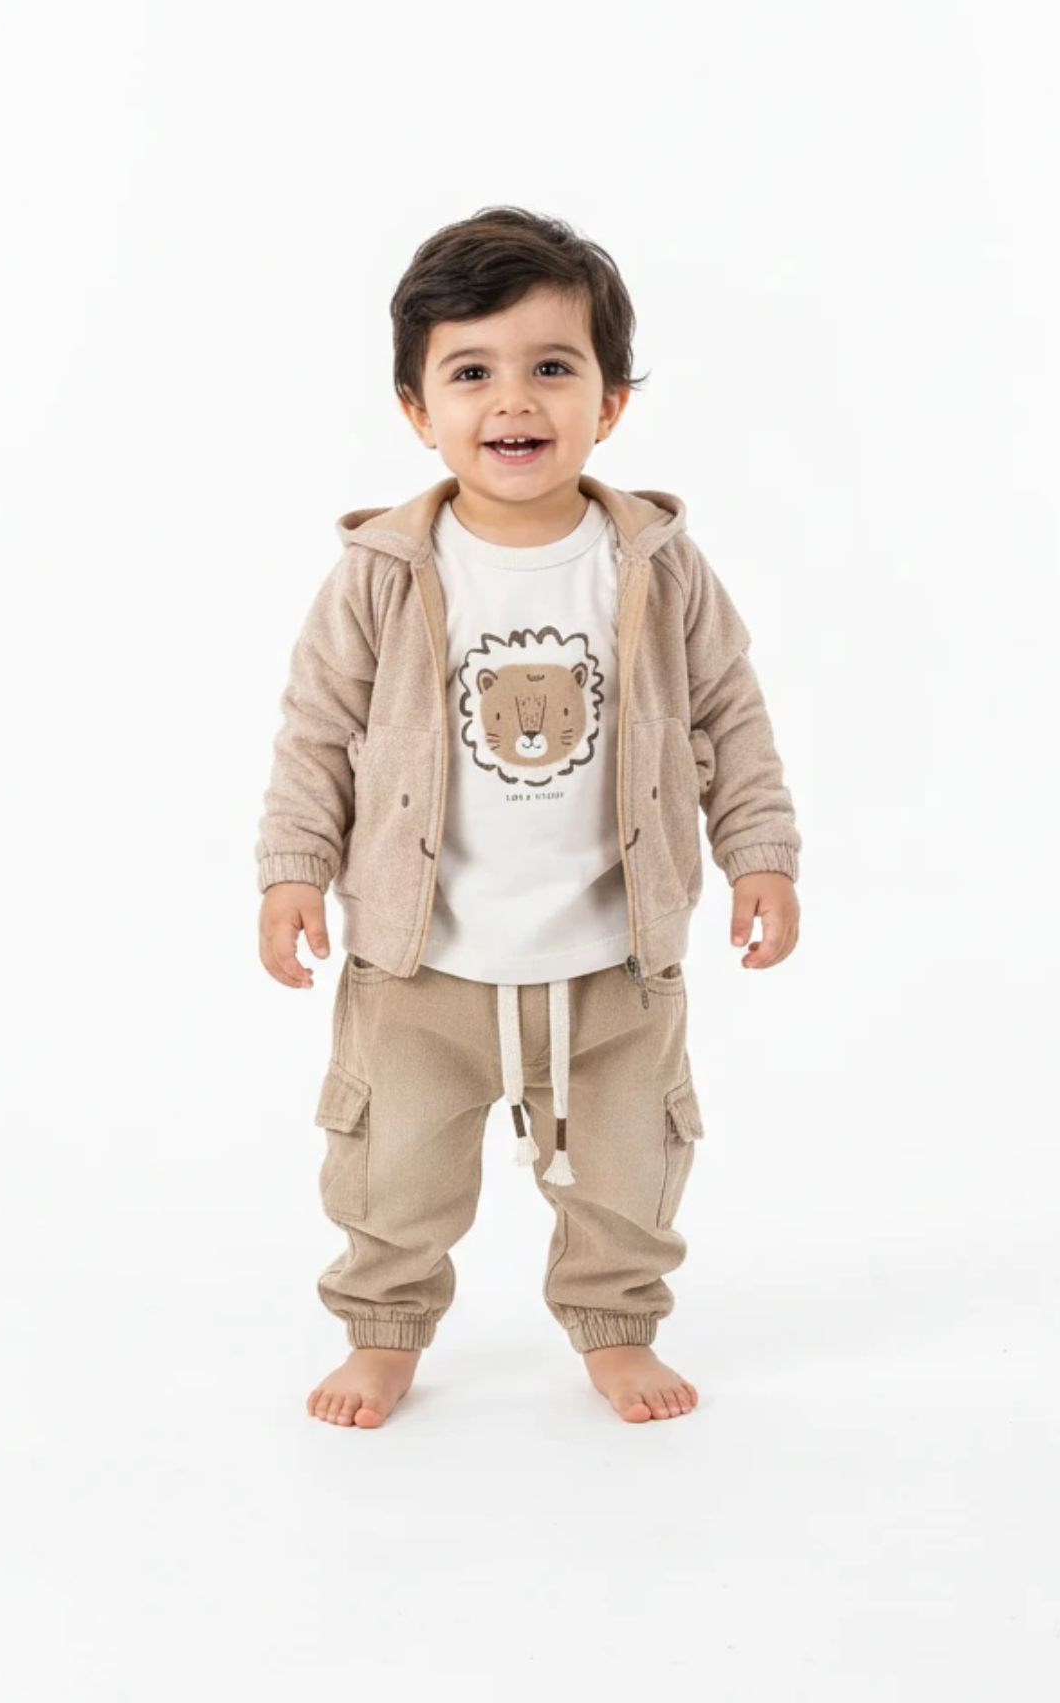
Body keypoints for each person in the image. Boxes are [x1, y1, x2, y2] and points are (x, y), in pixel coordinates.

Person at [255, 206, 802, 1428]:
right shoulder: (384, 572)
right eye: (471, 373)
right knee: (390, 1172)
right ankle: (384, 1328)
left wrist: (758, 854)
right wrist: (292, 867)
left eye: (552, 367)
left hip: (612, 962)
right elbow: (315, 729)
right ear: (416, 409)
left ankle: (615, 1324)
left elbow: (730, 711)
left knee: (627, 1170)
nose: (513, 398)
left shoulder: (654, 562)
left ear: (609, 403)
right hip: (422, 964)